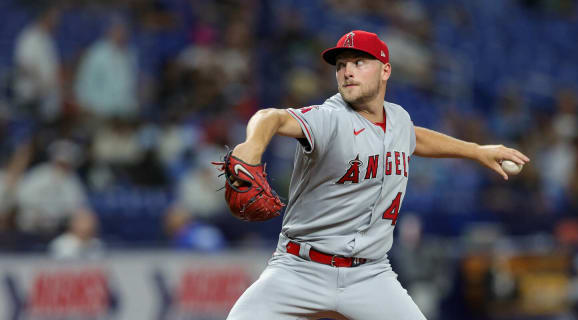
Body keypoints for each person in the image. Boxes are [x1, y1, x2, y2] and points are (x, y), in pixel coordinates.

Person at [224, 30, 529, 320]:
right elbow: (272, 118)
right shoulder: (330, 119)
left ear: (385, 71)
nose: (347, 71)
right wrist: (252, 145)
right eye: (341, 65)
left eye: (359, 62)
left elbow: (415, 138)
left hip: (369, 276)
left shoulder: (397, 119)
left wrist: (476, 150)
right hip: (299, 269)